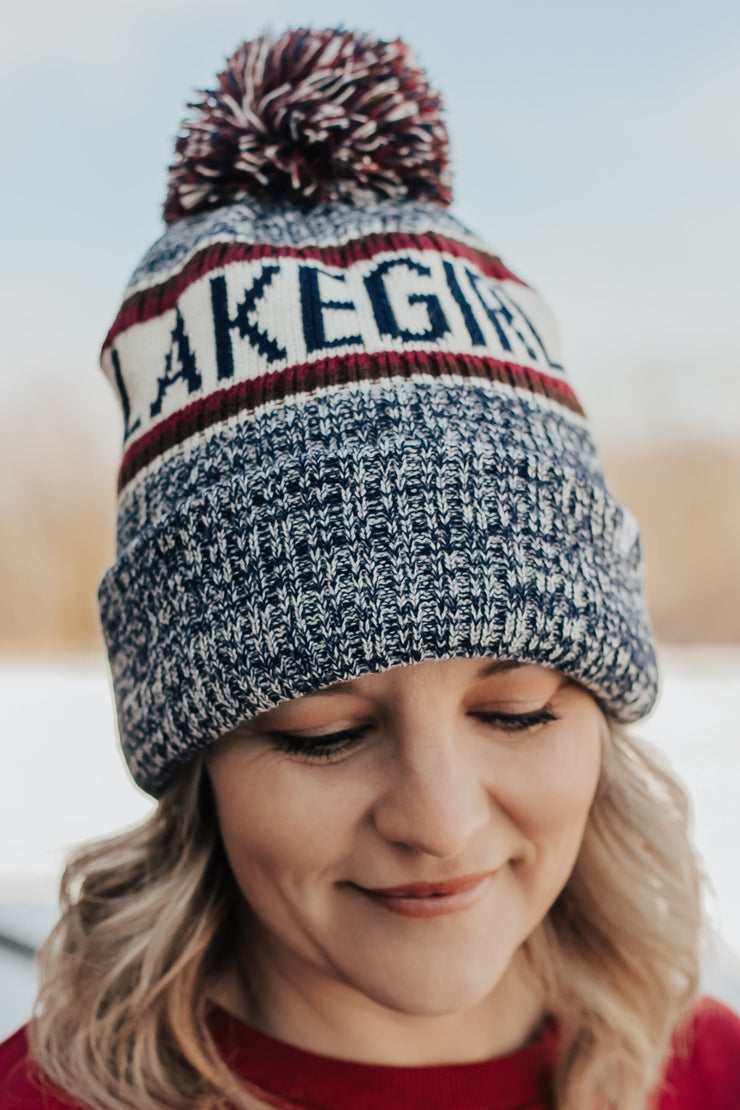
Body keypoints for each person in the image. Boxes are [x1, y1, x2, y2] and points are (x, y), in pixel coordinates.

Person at [1, 26, 739, 1110]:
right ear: (192, 751)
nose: (437, 822)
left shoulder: (710, 1075)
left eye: (520, 710)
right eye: (322, 733)